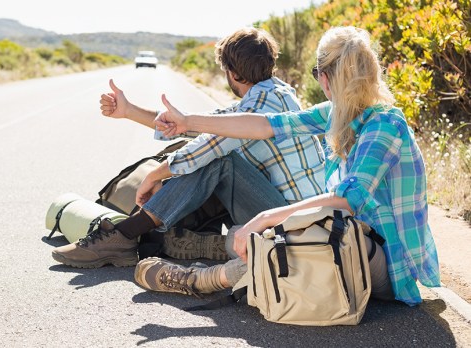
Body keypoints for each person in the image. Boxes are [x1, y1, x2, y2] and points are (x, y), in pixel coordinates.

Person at [149, 26, 440, 306]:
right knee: (281, 233)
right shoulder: (340, 113)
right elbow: (267, 125)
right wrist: (188, 121)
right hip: (356, 239)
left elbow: (346, 200)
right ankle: (218, 255)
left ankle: (202, 280)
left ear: (326, 78)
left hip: (388, 264)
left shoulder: (384, 125)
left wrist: (266, 216)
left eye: (317, 73)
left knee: (304, 240)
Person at [52, 28, 325, 290]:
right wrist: (129, 111)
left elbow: (209, 146)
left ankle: (123, 235)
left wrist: (155, 175)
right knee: (209, 155)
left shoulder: (260, 104)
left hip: (292, 225)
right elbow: (200, 126)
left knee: (220, 161)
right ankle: (141, 235)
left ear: (232, 72)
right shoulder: (277, 93)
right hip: (298, 216)